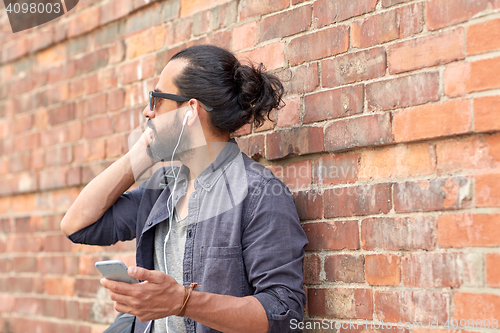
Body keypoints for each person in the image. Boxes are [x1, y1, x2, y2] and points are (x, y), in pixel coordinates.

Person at [61, 45, 308, 333]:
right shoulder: (162, 190)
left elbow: (282, 312)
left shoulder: (259, 193)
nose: (147, 111)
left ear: (190, 111)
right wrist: (142, 153)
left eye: (156, 100)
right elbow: (77, 225)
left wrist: (183, 302)